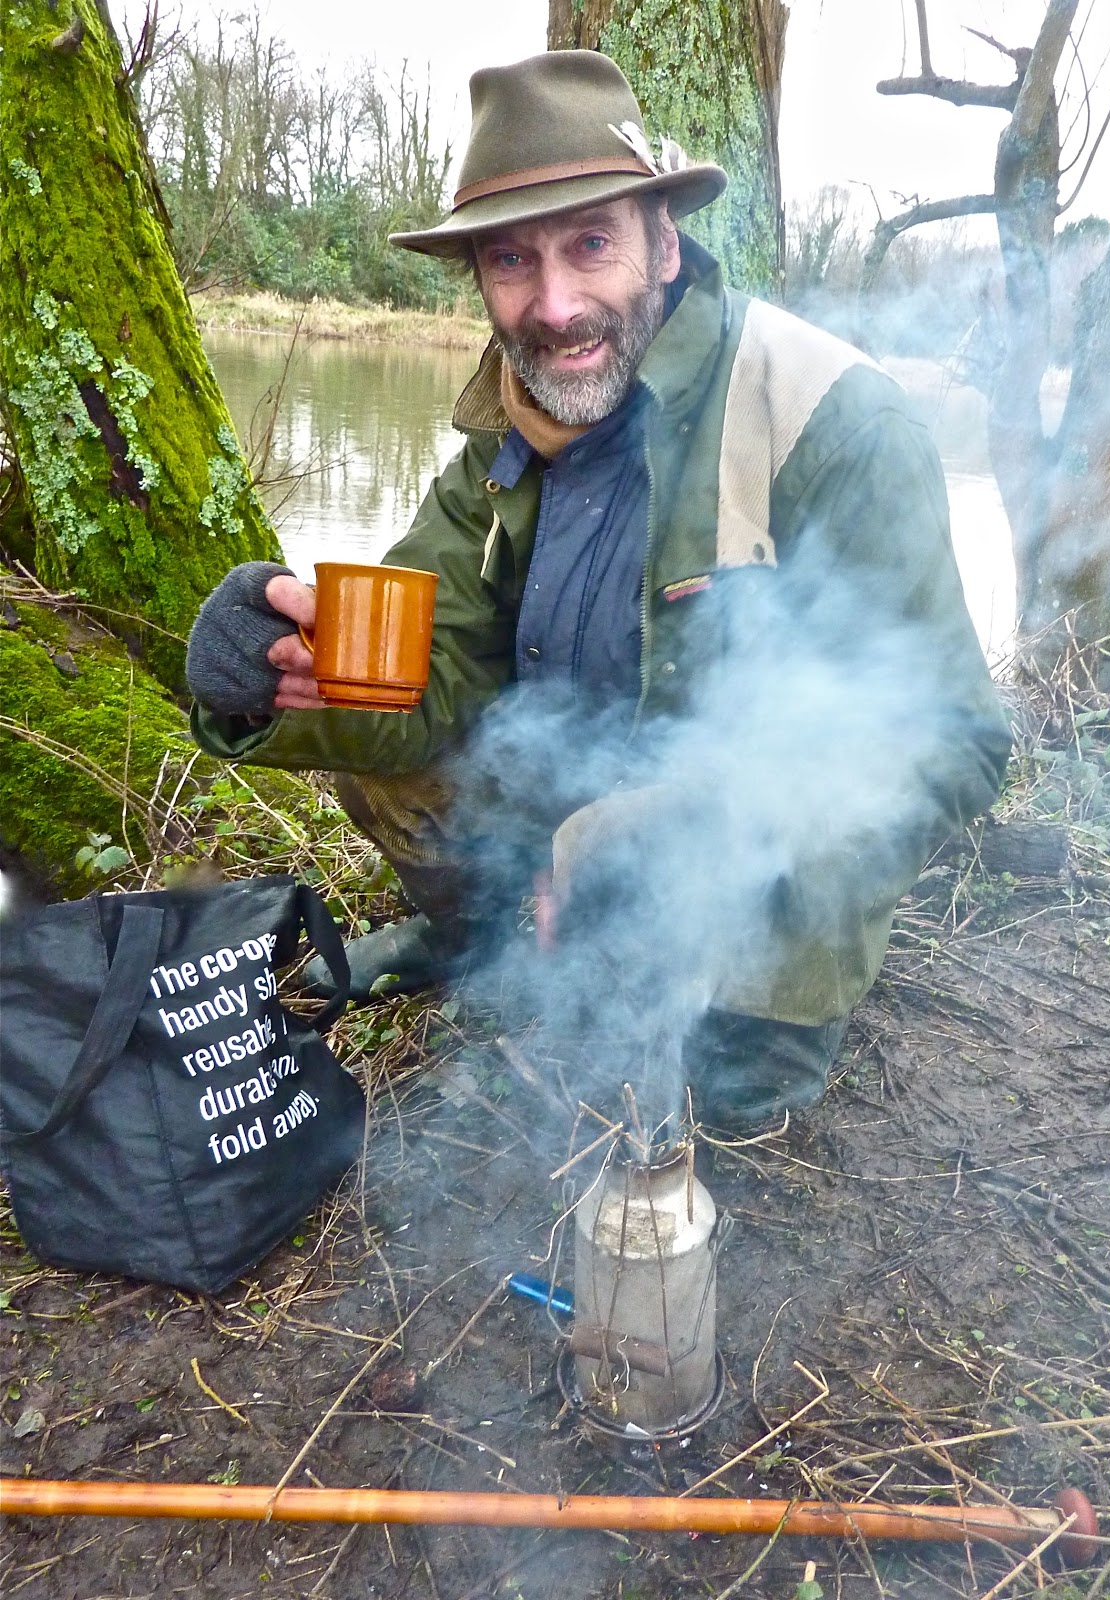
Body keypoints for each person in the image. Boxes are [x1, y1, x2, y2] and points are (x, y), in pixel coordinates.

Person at [187, 50, 1011, 1131]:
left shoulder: (835, 426)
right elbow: (428, 668)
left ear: (664, 244)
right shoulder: (509, 428)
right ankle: (486, 945)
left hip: (747, 895)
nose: (555, 304)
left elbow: (950, 747)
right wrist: (275, 671)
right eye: (510, 260)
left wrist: (704, 826)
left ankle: (708, 1006)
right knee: (383, 747)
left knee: (714, 1106)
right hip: (570, 830)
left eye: (589, 244)